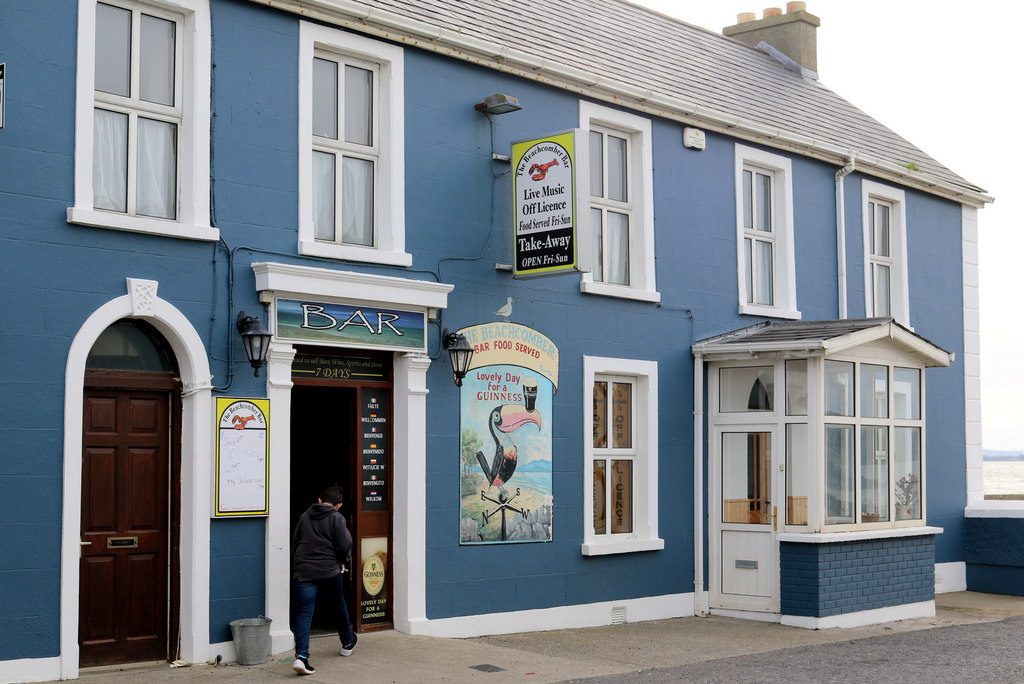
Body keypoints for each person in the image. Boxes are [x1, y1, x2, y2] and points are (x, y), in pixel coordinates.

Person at [290, 484, 357, 675]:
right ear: (339, 505)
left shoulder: (305, 516)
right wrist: (343, 561)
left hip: (304, 571)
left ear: (319, 500)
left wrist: (302, 562)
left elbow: (295, 543)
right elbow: (345, 544)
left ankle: (302, 657)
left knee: (303, 612)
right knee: (338, 604)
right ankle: (347, 642)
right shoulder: (337, 518)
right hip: (329, 571)